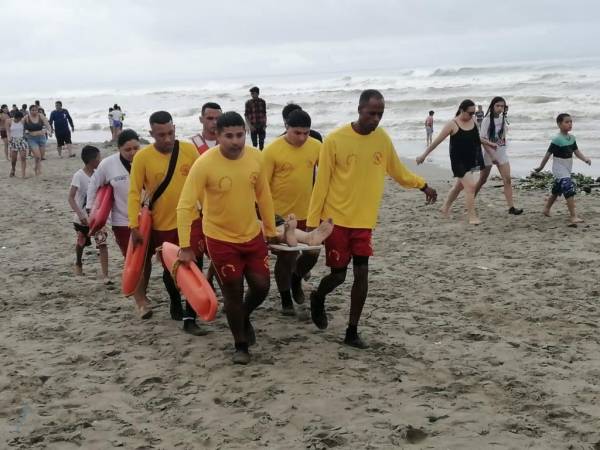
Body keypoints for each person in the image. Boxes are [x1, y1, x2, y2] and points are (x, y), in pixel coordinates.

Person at [307, 89, 438, 349]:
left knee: (362, 274)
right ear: (359, 109)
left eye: (380, 114)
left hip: (364, 221)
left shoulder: (382, 139)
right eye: (371, 113)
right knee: (338, 276)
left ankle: (352, 331)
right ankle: (318, 297)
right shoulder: (334, 140)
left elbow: (397, 171)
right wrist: (313, 224)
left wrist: (422, 185)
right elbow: (320, 185)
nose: (376, 119)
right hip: (336, 219)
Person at [177, 111, 279, 364]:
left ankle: (242, 315)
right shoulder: (205, 164)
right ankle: (240, 345)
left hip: (251, 235)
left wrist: (271, 231)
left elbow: (264, 195)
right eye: (229, 136)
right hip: (220, 238)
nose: (236, 141)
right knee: (233, 291)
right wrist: (185, 246)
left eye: (240, 135)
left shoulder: (256, 157)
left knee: (262, 287)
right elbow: (185, 205)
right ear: (217, 136)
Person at [128, 111, 206, 335]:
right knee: (171, 270)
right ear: (151, 133)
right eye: (161, 135)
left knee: (195, 265)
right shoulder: (142, 158)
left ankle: (191, 317)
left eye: (171, 133)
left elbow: (203, 184)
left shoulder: (189, 150)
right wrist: (134, 226)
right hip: (162, 225)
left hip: (191, 221)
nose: (167, 139)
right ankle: (174, 300)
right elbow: (134, 193)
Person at [87, 129, 152, 318]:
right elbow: (94, 184)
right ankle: (140, 302)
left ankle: (142, 292)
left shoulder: (147, 158)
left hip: (149, 219)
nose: (132, 153)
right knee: (132, 260)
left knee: (146, 260)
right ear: (119, 149)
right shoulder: (108, 165)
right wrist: (92, 211)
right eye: (127, 149)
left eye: (135, 148)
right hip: (123, 221)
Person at [263, 109, 322, 315]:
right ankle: (285, 298)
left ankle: (296, 279)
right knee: (287, 258)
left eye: (306, 133)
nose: (302, 137)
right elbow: (261, 187)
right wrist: (266, 216)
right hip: (280, 215)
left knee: (313, 253)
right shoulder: (272, 151)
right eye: (297, 132)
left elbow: (328, 174)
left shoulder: (316, 147)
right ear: (286, 128)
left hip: (308, 212)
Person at [416, 99, 497, 225]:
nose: (472, 115)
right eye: (470, 113)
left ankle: (445, 208)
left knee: (458, 187)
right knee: (470, 186)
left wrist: (489, 144)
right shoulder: (452, 124)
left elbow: (477, 138)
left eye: (474, 113)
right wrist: (423, 155)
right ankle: (472, 217)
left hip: (471, 158)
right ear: (461, 110)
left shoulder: (474, 121)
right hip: (458, 161)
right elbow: (437, 141)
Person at [534, 113, 591, 225]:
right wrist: (541, 167)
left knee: (557, 190)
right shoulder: (557, 139)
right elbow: (548, 154)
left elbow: (576, 152)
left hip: (567, 167)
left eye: (571, 122)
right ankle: (573, 216)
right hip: (559, 168)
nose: (570, 124)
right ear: (559, 124)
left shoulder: (572, 138)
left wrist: (585, 159)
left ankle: (546, 209)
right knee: (568, 188)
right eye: (566, 122)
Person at [474, 97, 523, 215]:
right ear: (492, 106)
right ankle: (470, 200)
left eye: (502, 106)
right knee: (482, 180)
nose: (500, 108)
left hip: (501, 153)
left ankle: (511, 208)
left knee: (507, 180)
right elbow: (482, 140)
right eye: (498, 106)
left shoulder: (502, 119)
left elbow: (502, 137)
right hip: (488, 154)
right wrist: (492, 156)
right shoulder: (486, 120)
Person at [68, 146, 110, 282]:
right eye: (99, 158)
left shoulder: (100, 174)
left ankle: (105, 274)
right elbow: (71, 198)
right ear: (92, 160)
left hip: (97, 217)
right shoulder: (79, 176)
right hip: (82, 218)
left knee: (102, 242)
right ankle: (78, 263)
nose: (100, 160)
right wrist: (80, 215)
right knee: (81, 242)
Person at [24, 104, 51, 175]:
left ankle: (36, 167)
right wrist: (25, 134)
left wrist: (49, 131)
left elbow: (47, 124)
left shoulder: (40, 116)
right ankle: (38, 169)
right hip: (32, 139)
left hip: (42, 138)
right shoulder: (26, 118)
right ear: (29, 111)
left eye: (35, 110)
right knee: (37, 156)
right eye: (32, 110)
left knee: (41, 157)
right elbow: (20, 125)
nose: (34, 111)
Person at [6, 111, 29, 178]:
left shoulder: (22, 121)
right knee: (14, 159)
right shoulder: (8, 121)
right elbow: (8, 131)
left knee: (23, 157)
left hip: (22, 140)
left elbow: (25, 129)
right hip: (13, 141)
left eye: (20, 118)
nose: (19, 120)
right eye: (18, 119)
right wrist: (9, 138)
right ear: (15, 117)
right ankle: (13, 169)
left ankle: (23, 174)